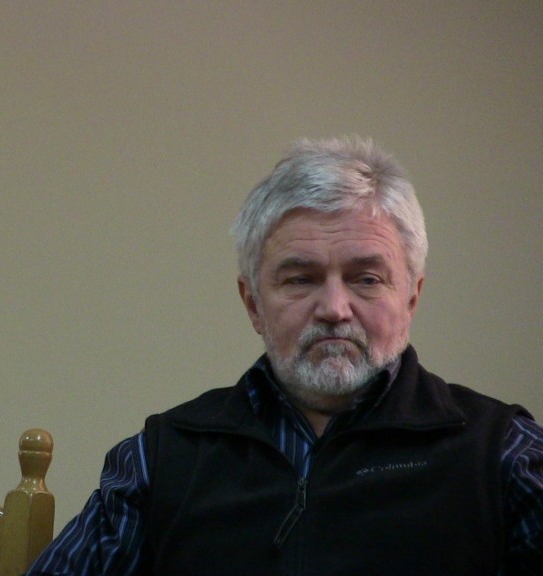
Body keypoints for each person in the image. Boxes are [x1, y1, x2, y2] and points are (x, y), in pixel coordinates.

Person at [26, 137, 543, 575]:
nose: (335, 308)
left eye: (366, 278)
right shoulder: (160, 460)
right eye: (300, 279)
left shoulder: (502, 454)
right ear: (253, 303)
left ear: (411, 297)